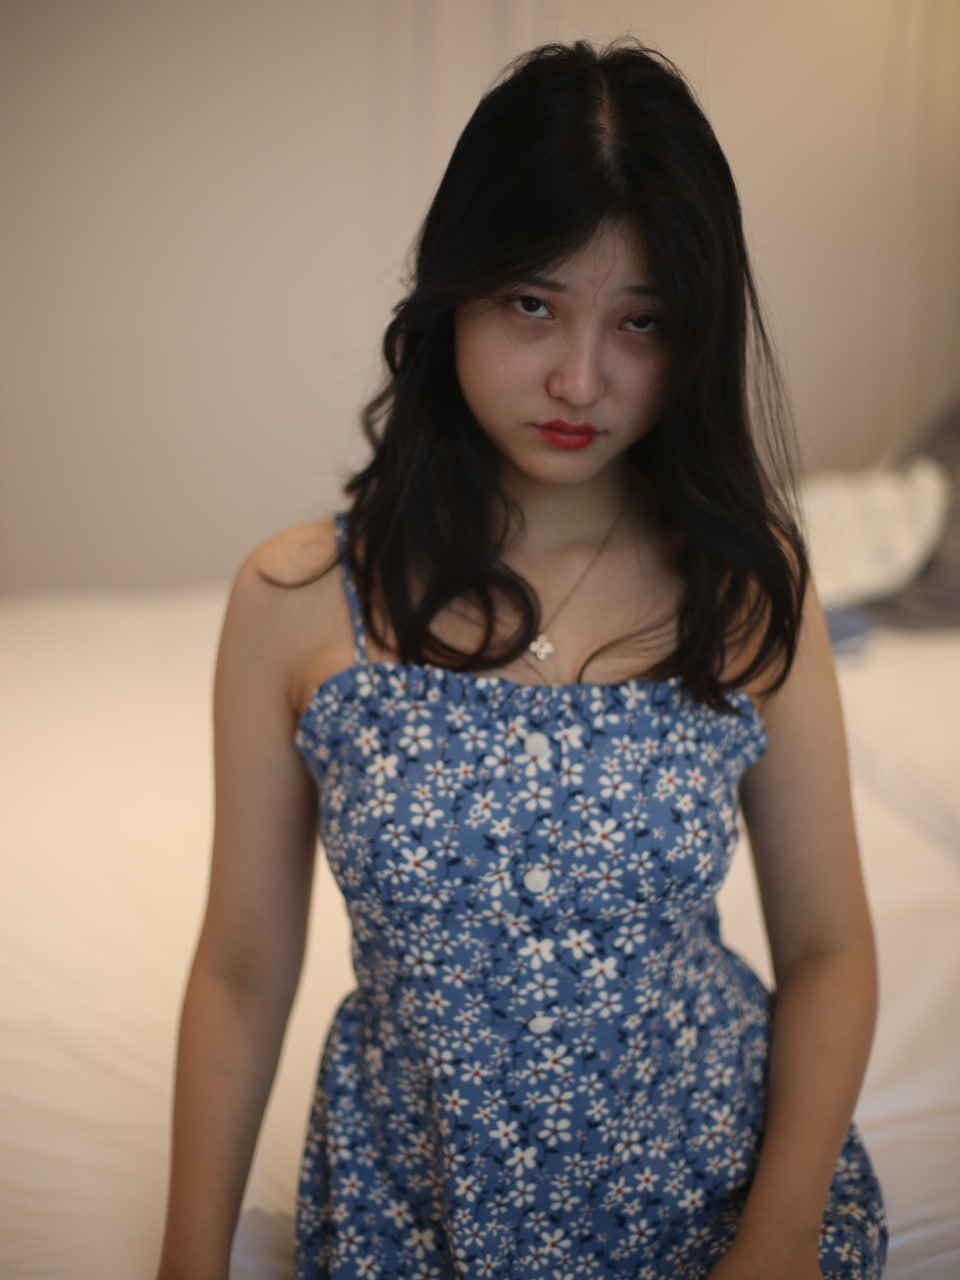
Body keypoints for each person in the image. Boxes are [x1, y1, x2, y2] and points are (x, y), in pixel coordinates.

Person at [155, 40, 887, 1280]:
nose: (578, 378)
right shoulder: (297, 601)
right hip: (413, 1213)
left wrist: (775, 1236)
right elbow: (240, 970)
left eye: (641, 322)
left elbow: (828, 946)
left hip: (712, 1194)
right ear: (454, 293)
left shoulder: (748, 583)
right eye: (532, 304)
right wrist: (188, 1260)